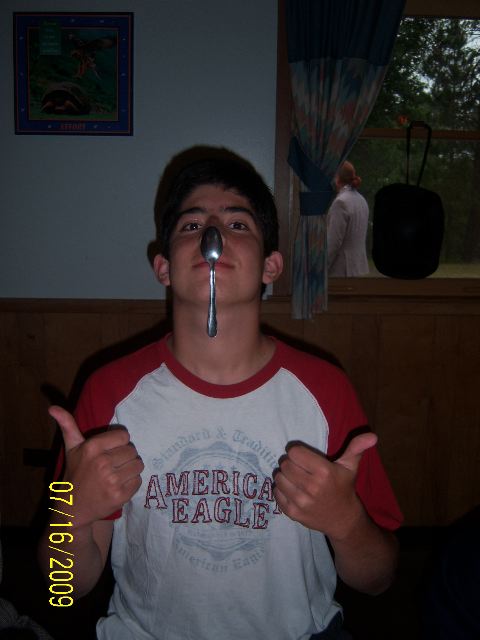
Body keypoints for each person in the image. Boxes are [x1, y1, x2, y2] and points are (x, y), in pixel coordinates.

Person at [38, 149, 402, 640]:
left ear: (271, 266)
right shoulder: (108, 392)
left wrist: (347, 522)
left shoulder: (325, 390)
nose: (213, 234)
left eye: (237, 224)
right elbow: (62, 589)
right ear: (163, 267)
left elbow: (379, 580)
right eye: (192, 226)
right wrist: (72, 513)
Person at [327, 161, 369, 277]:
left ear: (337, 178)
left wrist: (321, 267)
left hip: (341, 270)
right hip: (359, 269)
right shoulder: (362, 200)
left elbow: (334, 242)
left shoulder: (340, 202)